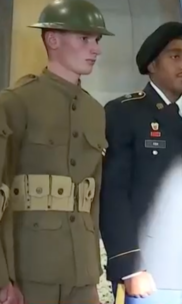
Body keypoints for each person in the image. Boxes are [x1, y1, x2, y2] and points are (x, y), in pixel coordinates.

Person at [100, 21, 182, 304]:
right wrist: (129, 265)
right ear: (152, 65)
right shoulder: (125, 112)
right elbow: (114, 196)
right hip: (147, 276)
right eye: (175, 56)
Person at [0, 0, 112, 303]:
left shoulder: (95, 112)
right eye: (85, 39)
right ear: (52, 39)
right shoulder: (16, 103)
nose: (96, 49)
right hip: (29, 271)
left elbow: (93, 198)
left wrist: (91, 276)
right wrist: (2, 278)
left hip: (81, 274)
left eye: (97, 40)